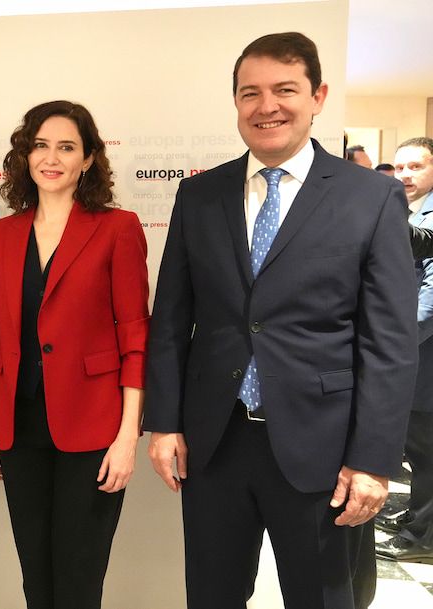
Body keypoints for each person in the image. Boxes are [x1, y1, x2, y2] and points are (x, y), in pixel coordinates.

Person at [143, 32, 417, 609]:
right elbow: (170, 320)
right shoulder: (198, 195)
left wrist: (372, 462)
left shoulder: (371, 197)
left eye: (284, 89)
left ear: (317, 96)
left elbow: (389, 343)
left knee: (321, 598)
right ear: (237, 103)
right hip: (215, 442)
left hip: (324, 448)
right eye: (251, 93)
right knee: (211, 597)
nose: (266, 106)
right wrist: (164, 423)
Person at [0, 100, 149, 609]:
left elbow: (135, 338)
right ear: (26, 155)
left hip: (94, 429)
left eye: (67, 147)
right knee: (36, 575)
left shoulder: (117, 227)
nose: (52, 158)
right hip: (19, 427)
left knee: (78, 578)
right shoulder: (1, 234)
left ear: (89, 158)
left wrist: (126, 438)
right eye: (41, 145)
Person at [376, 136, 433, 563]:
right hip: (414, 359)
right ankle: (417, 516)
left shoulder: (425, 221)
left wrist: (389, 344)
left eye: (415, 166)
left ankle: (424, 537)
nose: (405, 175)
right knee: (418, 448)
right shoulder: (415, 210)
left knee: (428, 450)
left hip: (423, 357)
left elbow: (429, 303)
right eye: (399, 167)